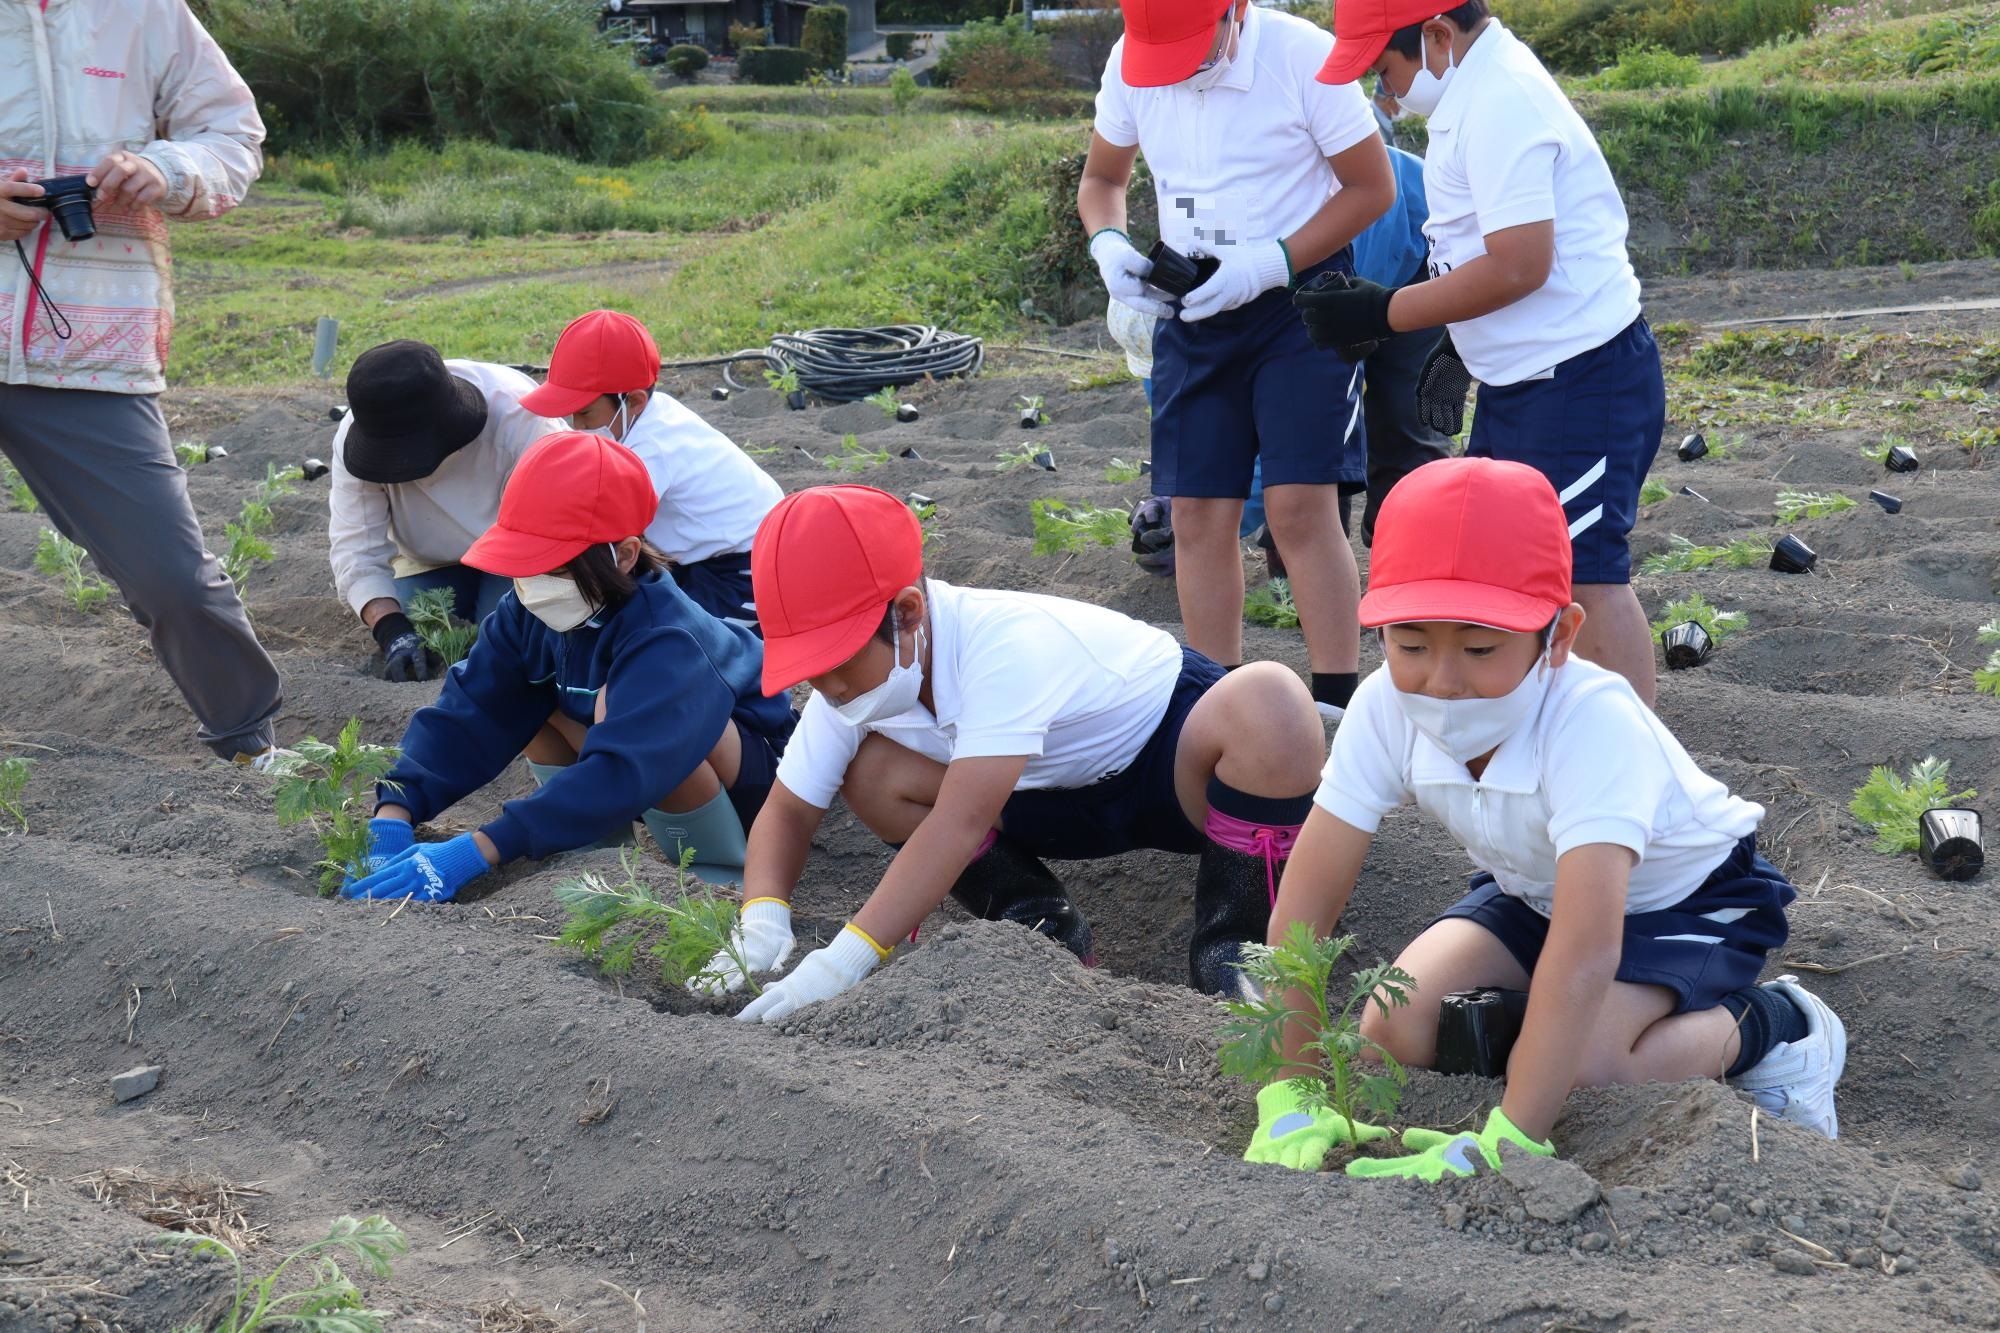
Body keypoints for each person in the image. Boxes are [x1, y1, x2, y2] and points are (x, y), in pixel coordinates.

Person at [1243, 458, 1844, 1179]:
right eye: (1410, 643)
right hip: (1535, 888)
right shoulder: (1382, 707)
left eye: (1480, 647)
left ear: (1559, 636)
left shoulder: (1593, 722)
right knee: (1391, 1024)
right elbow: (1307, 901)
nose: (1442, 679)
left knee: (1590, 1069)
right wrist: (1293, 1084)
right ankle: (1559, 1026)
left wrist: (1512, 1139)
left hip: (1684, 899)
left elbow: (1587, 947)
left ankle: (1777, 1024)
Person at [698, 484, 1327, 1023]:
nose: (824, 690)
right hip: (1038, 798)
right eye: (807, 671)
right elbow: (788, 811)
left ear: (908, 613)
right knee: (873, 774)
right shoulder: (853, 689)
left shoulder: (1002, 647)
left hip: (1168, 766)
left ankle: (1237, 946)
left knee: (1269, 702)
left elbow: (957, 823)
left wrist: (843, 961)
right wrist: (762, 918)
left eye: (833, 665)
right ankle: (1037, 922)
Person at [1294, 0, 1665, 705]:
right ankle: (1556, 735)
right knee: (1517, 569)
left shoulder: (1501, 102)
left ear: (1437, 35)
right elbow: (1476, 242)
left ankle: (1633, 772)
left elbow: (1521, 263)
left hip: (1580, 378)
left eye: (1388, 70)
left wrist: (1386, 311)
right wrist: (1458, 349)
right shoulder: (1471, 92)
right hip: (1527, 379)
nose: (1385, 93)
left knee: (1585, 574)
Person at [1078, 0, 1395, 719]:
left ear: (1235, 12)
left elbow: (1374, 187)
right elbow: (1103, 180)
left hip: (1303, 301)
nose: (1184, 69)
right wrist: (1109, 245)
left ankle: (1336, 705)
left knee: (1299, 505)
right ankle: (1217, 702)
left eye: (1195, 46)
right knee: (1195, 510)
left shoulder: (1302, 56)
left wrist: (1271, 261)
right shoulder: (1131, 62)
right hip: (1194, 306)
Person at [0, 0, 285, 767]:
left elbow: (232, 136)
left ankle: (251, 748)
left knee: (173, 578)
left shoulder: (145, 12)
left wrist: (164, 167)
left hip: (90, 346)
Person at [339, 432, 796, 903]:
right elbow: (471, 711)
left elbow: (627, 767)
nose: (532, 583)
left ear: (623, 555)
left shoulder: (667, 634)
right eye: (522, 562)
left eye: (552, 566)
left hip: (754, 789)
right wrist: (394, 811)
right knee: (529, 709)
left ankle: (717, 872)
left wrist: (477, 850)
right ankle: (593, 854)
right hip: (632, 765)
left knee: (631, 718)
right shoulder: (528, 611)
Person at [1244, 142, 1450, 562]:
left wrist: (1222, 516)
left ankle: (1408, 560)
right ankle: (1295, 571)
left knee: (1402, 416)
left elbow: (1318, 418)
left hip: (1416, 247)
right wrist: (1178, 504)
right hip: (1310, 267)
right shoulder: (1203, 220)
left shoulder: (1309, 257)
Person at [517, 310, 782, 630]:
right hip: (702, 559)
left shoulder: (652, 449)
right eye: (570, 415)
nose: (577, 426)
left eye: (585, 413)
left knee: (659, 631)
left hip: (749, 576)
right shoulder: (645, 417)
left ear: (634, 401)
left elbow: (599, 529)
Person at [328, 341, 564, 681]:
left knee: (502, 636)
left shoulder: (519, 416)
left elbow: (553, 531)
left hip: (517, 551)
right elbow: (356, 549)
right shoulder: (364, 428)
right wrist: (392, 630)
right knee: (423, 630)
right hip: (426, 559)